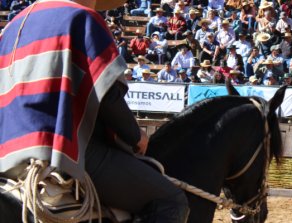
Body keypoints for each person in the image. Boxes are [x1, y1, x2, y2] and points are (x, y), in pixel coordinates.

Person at [0, 0, 189, 222]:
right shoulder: (82, 18)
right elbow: (108, 96)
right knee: (172, 200)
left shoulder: (12, 27)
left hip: (7, 154)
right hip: (63, 150)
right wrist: (136, 136)